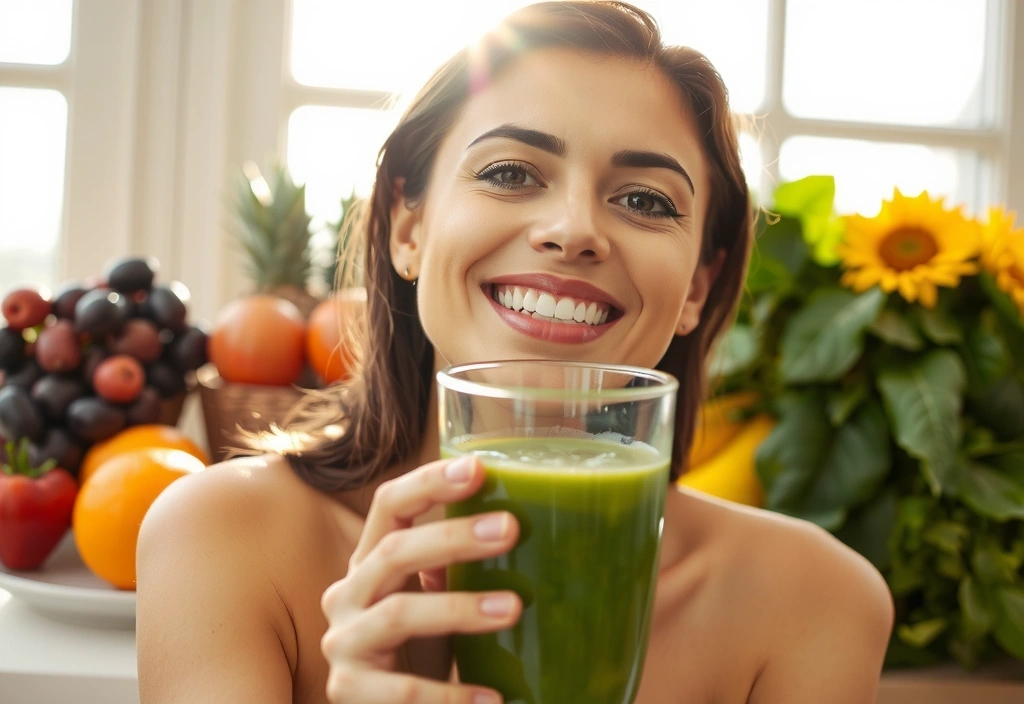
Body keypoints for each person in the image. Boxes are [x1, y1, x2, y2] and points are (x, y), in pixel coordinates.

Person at [136, 2, 894, 702]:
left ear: (700, 282)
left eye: (644, 200)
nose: (573, 229)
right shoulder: (222, 541)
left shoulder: (817, 603)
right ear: (408, 226)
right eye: (509, 173)